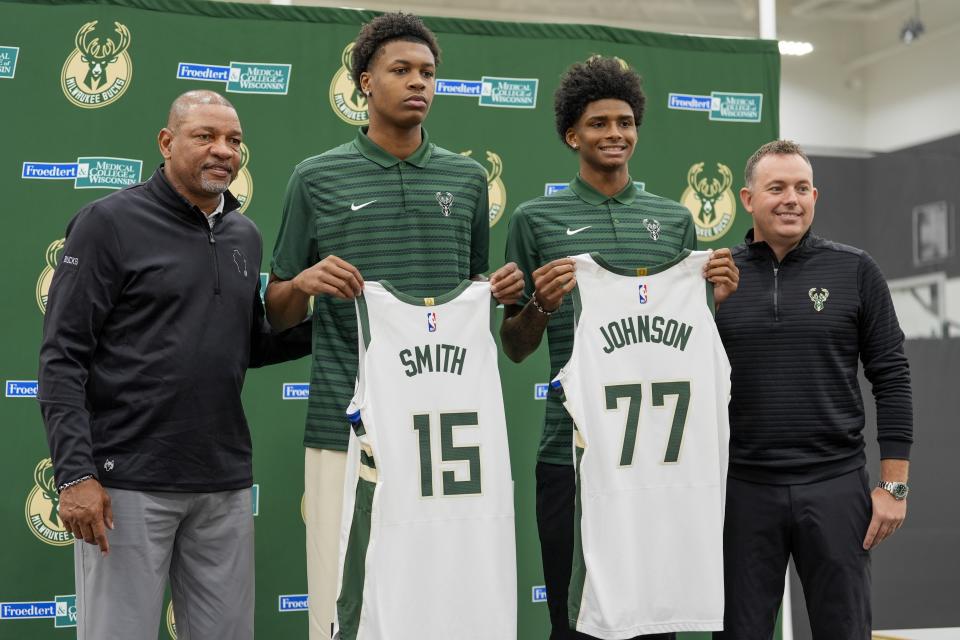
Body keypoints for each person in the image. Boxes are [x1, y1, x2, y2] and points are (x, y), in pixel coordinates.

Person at [264, 13, 524, 639]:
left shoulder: (466, 182)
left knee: (441, 604)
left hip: (443, 435)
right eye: (401, 70)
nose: (418, 83)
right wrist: (301, 284)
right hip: (343, 424)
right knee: (341, 606)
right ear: (363, 82)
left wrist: (503, 294)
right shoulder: (316, 177)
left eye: (428, 73)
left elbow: (468, 303)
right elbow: (276, 311)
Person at [37, 90, 311, 640]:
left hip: (222, 482)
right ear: (166, 142)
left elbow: (249, 345)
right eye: (204, 136)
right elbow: (62, 356)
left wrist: (325, 322)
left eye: (234, 140)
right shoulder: (107, 223)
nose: (223, 151)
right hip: (125, 485)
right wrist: (75, 474)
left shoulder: (244, 234)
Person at [500, 56, 738, 640]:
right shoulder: (536, 220)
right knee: (574, 620)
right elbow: (514, 345)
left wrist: (722, 300)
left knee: (655, 617)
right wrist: (542, 305)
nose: (615, 134)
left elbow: (691, 340)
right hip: (570, 453)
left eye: (626, 122)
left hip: (660, 457)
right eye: (600, 123)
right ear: (571, 134)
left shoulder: (675, 221)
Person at [714, 139, 914, 640]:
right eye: (776, 187)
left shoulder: (856, 270)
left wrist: (894, 486)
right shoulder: (714, 278)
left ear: (815, 197)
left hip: (835, 485)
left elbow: (892, 375)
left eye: (802, 188)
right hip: (740, 487)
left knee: (844, 631)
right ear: (746, 199)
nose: (791, 199)